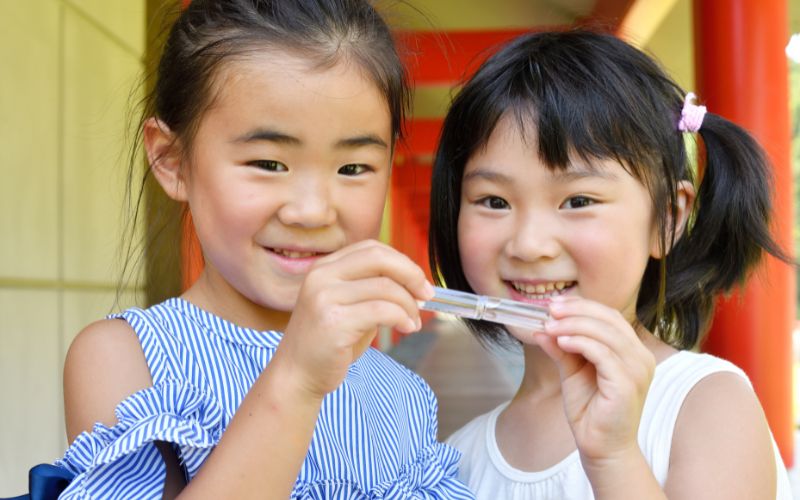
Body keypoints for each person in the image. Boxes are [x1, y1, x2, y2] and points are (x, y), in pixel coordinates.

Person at [54, 0, 474, 498]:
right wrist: (296, 380)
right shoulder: (128, 361)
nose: (313, 211)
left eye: (352, 168)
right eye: (269, 163)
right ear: (171, 160)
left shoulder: (403, 394)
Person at [429, 30, 793, 499]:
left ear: (667, 218)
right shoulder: (457, 457)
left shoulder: (705, 404)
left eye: (578, 199)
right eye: (494, 201)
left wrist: (613, 458)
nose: (529, 244)